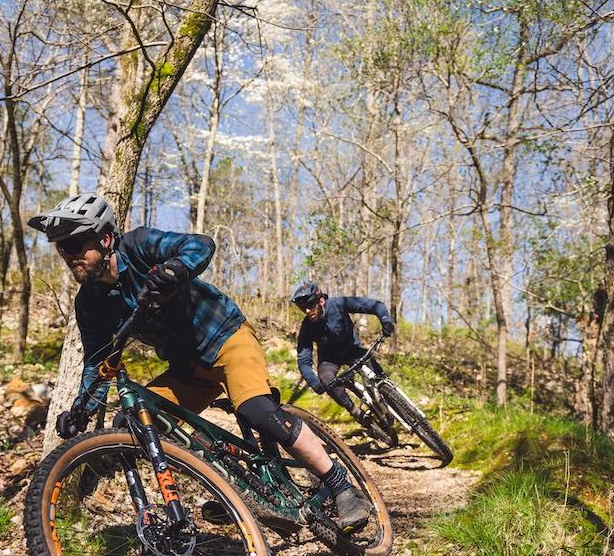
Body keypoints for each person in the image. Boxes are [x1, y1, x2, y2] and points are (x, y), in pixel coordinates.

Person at [28, 194, 372, 527]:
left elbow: (200, 244)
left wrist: (176, 269)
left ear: (104, 239)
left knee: (255, 410)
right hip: (187, 369)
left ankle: (342, 488)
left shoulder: (139, 245)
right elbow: (98, 361)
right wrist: (81, 410)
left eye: (74, 245)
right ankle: (231, 487)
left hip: (226, 339)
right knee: (131, 421)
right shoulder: (89, 303)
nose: (68, 255)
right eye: (61, 249)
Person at [293, 282, 395, 430]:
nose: (308, 311)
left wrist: (386, 320)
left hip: (352, 348)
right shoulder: (307, 327)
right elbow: (303, 360)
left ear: (321, 300)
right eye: (303, 308)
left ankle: (391, 402)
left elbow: (374, 305)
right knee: (327, 380)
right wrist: (314, 383)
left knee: (378, 376)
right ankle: (353, 410)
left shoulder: (338, 304)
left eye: (310, 305)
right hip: (329, 359)